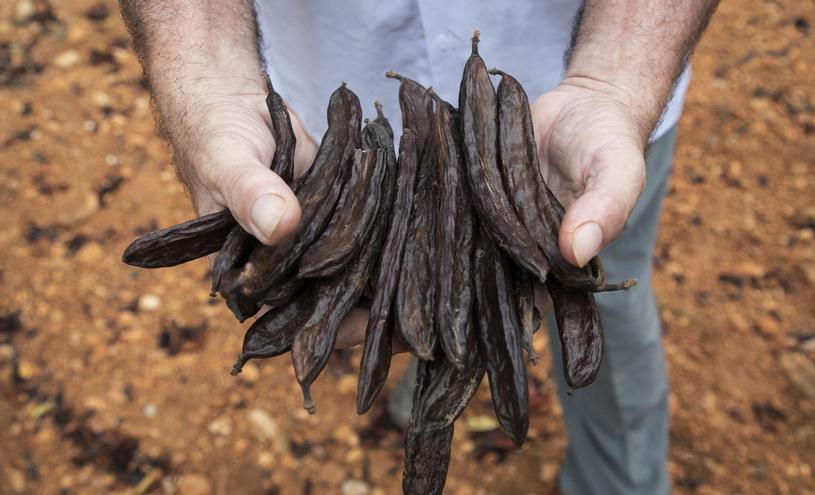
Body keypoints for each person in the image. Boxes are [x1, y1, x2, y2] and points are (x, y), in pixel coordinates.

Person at [120, 1, 718, 493]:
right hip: (332, 144)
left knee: (586, 287)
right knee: (411, 296)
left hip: (568, 129)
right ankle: (432, 341)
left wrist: (615, 81)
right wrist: (206, 82)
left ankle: (621, 481)